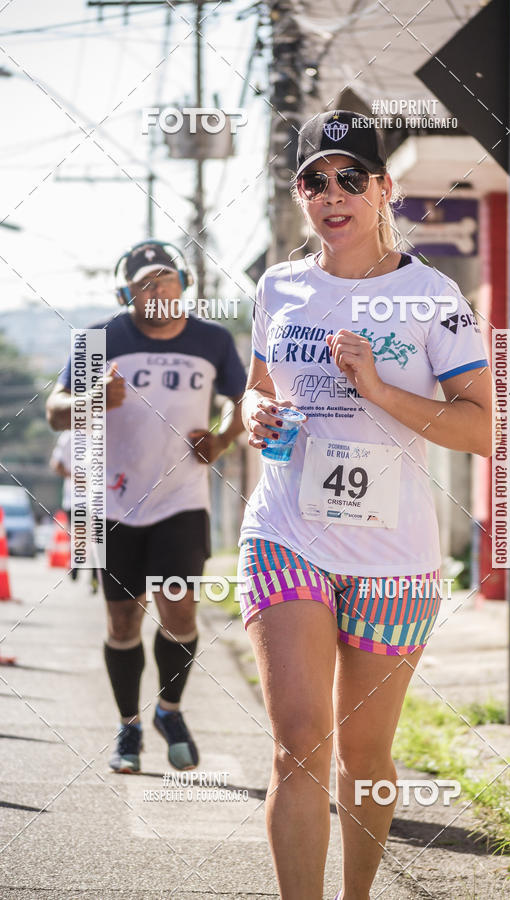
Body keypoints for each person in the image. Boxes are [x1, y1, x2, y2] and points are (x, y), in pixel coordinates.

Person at [238, 110, 492, 899]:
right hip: (287, 534)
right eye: (316, 180)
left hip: (396, 555)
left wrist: (378, 389)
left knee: (366, 755)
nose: (333, 194)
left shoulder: (433, 296)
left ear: (384, 189)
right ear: (301, 194)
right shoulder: (279, 287)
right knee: (300, 744)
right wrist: (252, 415)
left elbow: (484, 428)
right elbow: (258, 386)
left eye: (352, 178)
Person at [46, 240, 246, 773]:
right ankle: (128, 727)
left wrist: (222, 439)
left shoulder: (213, 339)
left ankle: (170, 710)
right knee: (121, 619)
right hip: (109, 503)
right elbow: (54, 412)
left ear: (185, 285)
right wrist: (92, 398)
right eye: (146, 284)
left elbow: (246, 400)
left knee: (179, 607)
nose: (160, 292)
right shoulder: (100, 339)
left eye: (168, 281)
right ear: (126, 293)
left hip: (183, 498)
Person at [49, 430, 98, 591]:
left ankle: (90, 574)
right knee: (88, 536)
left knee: (93, 537)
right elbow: (56, 464)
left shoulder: (103, 433)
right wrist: (77, 478)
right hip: (76, 498)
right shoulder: (69, 436)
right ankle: (82, 569)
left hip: (97, 498)